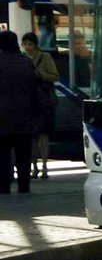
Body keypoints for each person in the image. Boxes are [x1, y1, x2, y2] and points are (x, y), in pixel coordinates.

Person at [0, 30, 39, 195]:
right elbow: (34, 89)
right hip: (24, 115)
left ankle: (3, 186)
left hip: (2, 117)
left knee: (2, 154)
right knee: (23, 154)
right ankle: (24, 185)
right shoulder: (26, 62)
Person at [22, 32, 59, 179]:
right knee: (32, 136)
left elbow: (54, 76)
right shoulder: (22, 58)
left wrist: (40, 74)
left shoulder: (45, 57)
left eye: (30, 44)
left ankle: (44, 166)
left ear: (35, 45)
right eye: (25, 44)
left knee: (43, 135)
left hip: (43, 102)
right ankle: (34, 167)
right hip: (29, 101)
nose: (27, 47)